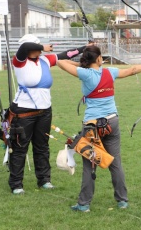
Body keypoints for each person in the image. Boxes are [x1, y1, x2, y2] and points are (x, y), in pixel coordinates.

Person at [57, 45, 141, 212]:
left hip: (92, 124)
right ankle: (122, 201)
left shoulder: (84, 73)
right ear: (98, 59)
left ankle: (84, 204)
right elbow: (132, 70)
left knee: (90, 163)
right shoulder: (109, 72)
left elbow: (60, 61)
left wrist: (82, 63)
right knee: (115, 161)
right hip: (112, 121)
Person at [8, 34, 88, 195]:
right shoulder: (19, 61)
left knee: (42, 146)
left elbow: (66, 54)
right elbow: (24, 48)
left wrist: (84, 48)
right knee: (19, 148)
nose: (39, 51)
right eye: (36, 48)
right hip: (23, 111)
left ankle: (44, 180)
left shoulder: (44, 60)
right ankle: (16, 184)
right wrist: (42, 47)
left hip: (44, 111)